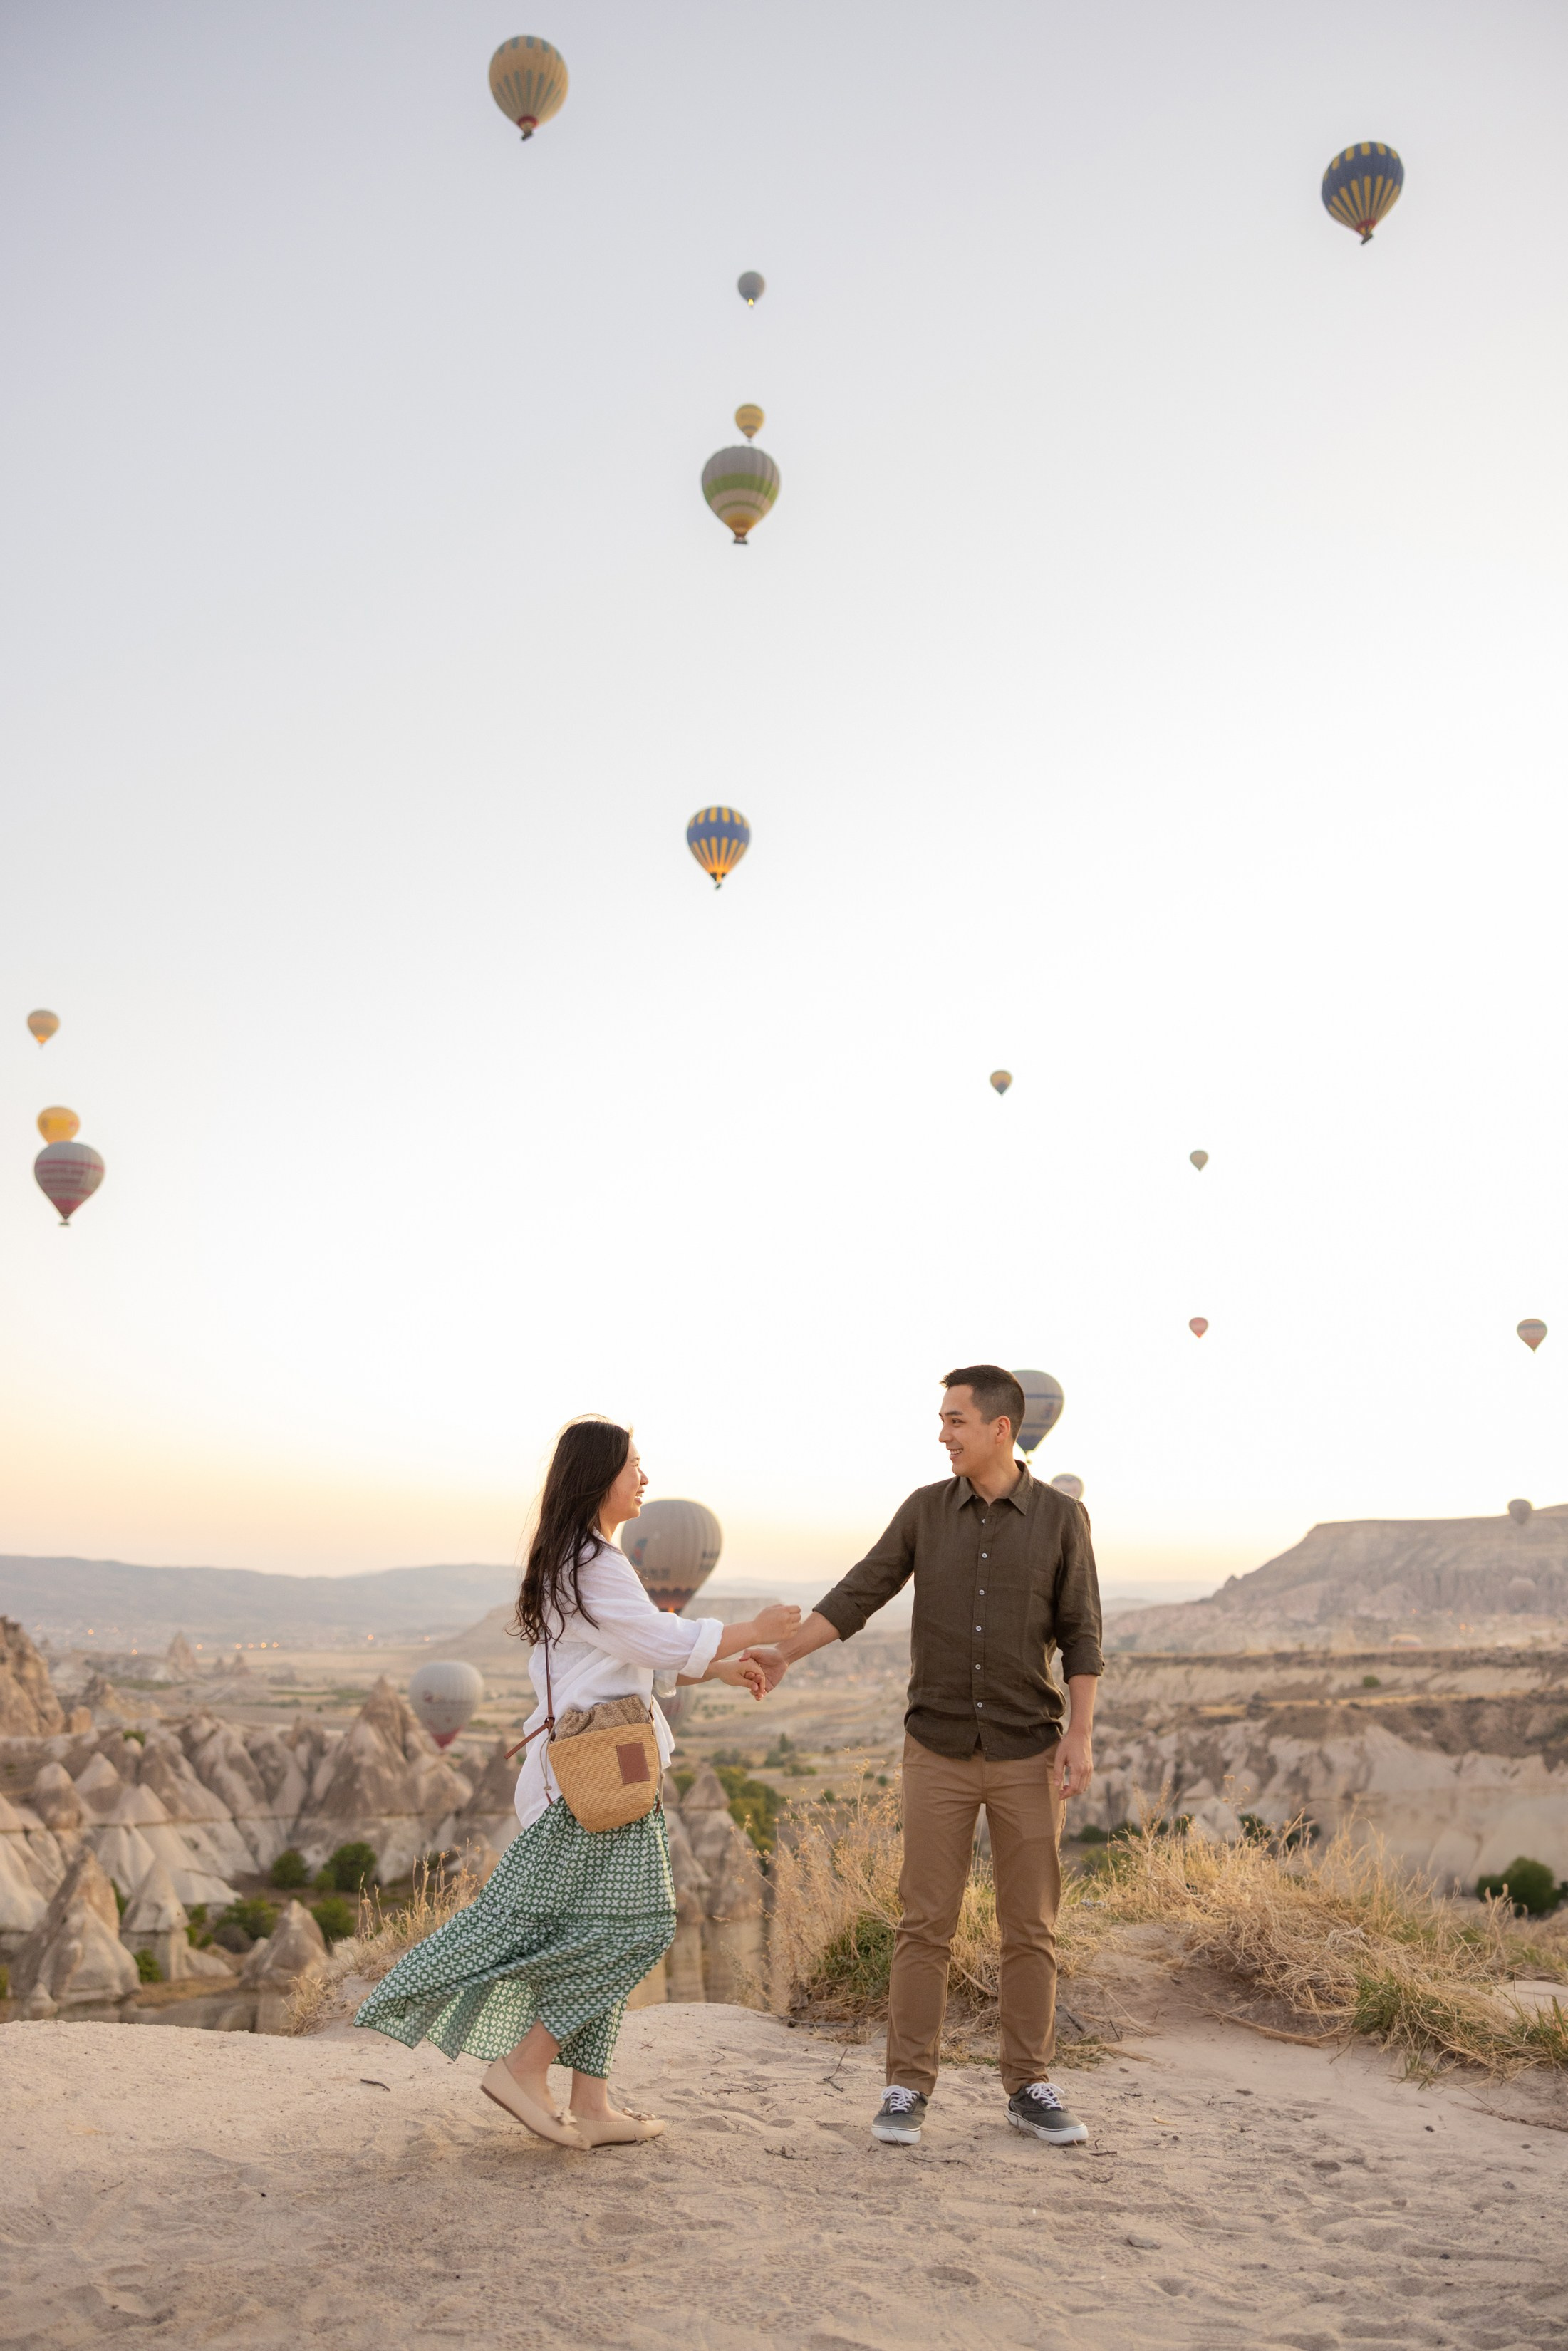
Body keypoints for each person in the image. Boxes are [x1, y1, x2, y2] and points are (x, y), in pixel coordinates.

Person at [355, 1416, 799, 2147]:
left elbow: (622, 1657)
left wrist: (716, 1666)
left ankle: (592, 2104)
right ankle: (523, 2067)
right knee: (640, 1928)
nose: (645, 1478)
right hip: (596, 1782)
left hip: (613, 1772)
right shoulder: (591, 1562)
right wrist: (753, 1629)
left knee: (607, 1927)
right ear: (598, 1475)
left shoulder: (586, 1557)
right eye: (633, 1465)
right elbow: (652, 1638)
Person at [747, 1366, 1101, 2149]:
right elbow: (860, 1592)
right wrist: (784, 1654)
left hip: (1028, 1751)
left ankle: (1029, 2085)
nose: (942, 1434)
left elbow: (1081, 1633)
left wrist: (1079, 1734)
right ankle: (905, 2086)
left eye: (954, 1420)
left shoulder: (1060, 1518)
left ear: (1000, 1429)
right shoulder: (922, 1511)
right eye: (942, 1420)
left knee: (1029, 1927)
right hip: (936, 1748)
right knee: (923, 1924)